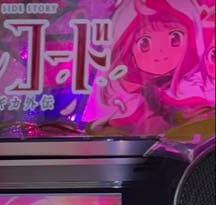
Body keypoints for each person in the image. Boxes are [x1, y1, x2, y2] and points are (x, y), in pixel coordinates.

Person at [84, 0, 210, 136]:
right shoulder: (119, 97)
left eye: (175, 38)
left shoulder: (190, 89)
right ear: (126, 46)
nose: (161, 53)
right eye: (144, 43)